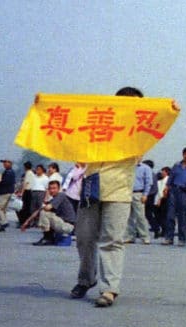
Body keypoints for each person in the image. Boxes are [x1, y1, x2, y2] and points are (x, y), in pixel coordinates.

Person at [70, 86, 179, 308]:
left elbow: (158, 124)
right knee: (84, 237)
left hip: (119, 189)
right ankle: (86, 278)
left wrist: (171, 111)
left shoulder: (139, 132)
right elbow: (73, 128)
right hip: (92, 184)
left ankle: (109, 288)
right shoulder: (99, 121)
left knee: (112, 239)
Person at [163, 147, 186, 246]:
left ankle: (182, 239)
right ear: (183, 155)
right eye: (185, 154)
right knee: (170, 215)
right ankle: (169, 238)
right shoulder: (176, 166)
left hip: (184, 192)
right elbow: (170, 179)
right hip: (173, 191)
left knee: (183, 216)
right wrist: (166, 189)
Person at [31, 180, 76, 246]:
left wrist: (44, 202)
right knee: (45, 213)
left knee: (44, 213)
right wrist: (26, 222)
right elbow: (38, 212)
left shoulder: (61, 195)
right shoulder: (54, 199)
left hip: (67, 226)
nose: (52, 191)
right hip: (63, 223)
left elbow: (47, 208)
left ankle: (47, 238)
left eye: (54, 188)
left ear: (59, 189)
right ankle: (49, 237)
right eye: (50, 189)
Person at [124, 159, 153, 245]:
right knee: (128, 217)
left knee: (140, 216)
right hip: (127, 193)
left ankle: (145, 237)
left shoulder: (145, 168)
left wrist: (145, 194)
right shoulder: (127, 167)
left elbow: (148, 182)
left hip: (138, 193)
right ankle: (130, 236)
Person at [0, 159, 16, 231]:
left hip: (4, 192)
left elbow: (5, 182)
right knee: (3, 209)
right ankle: (1, 226)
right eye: (4, 162)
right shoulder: (8, 172)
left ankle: (4, 222)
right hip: (6, 192)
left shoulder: (9, 172)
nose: (4, 164)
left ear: (10, 163)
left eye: (6, 162)